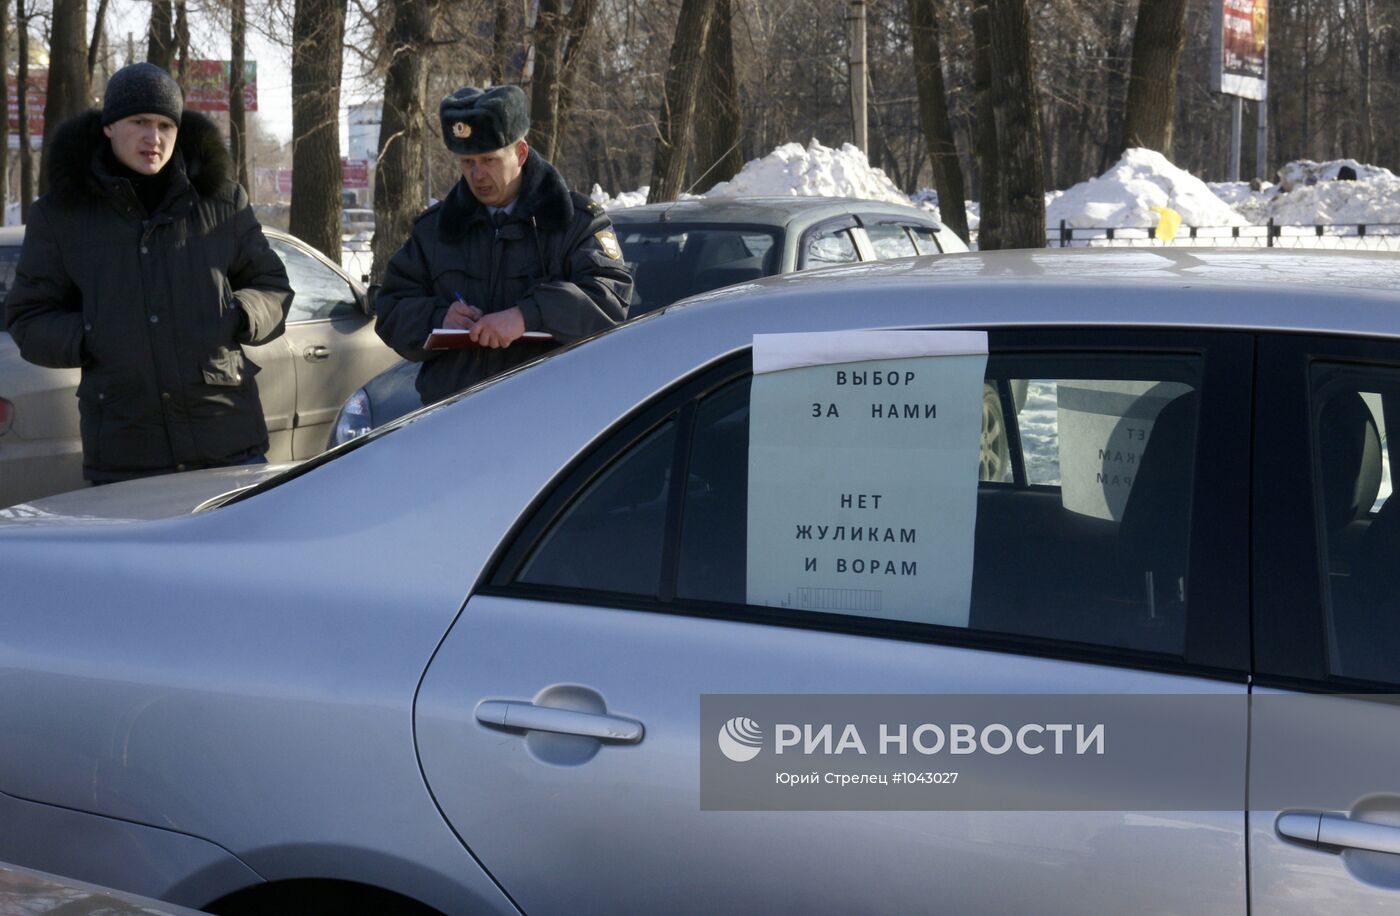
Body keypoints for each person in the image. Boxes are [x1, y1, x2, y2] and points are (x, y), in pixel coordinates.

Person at [4, 62, 293, 485]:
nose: (153, 138)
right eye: (139, 122)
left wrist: (239, 314)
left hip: (227, 440)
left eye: (164, 125)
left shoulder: (221, 202)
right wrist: (91, 335)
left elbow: (272, 287)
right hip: (125, 448)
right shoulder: (61, 216)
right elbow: (28, 318)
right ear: (109, 127)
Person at [375, 84, 632, 405]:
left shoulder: (573, 221)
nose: (477, 174)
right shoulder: (436, 230)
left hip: (549, 419)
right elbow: (391, 308)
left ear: (521, 153)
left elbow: (609, 297)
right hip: (452, 420)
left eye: (489, 159)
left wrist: (528, 315)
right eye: (467, 162)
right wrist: (439, 317)